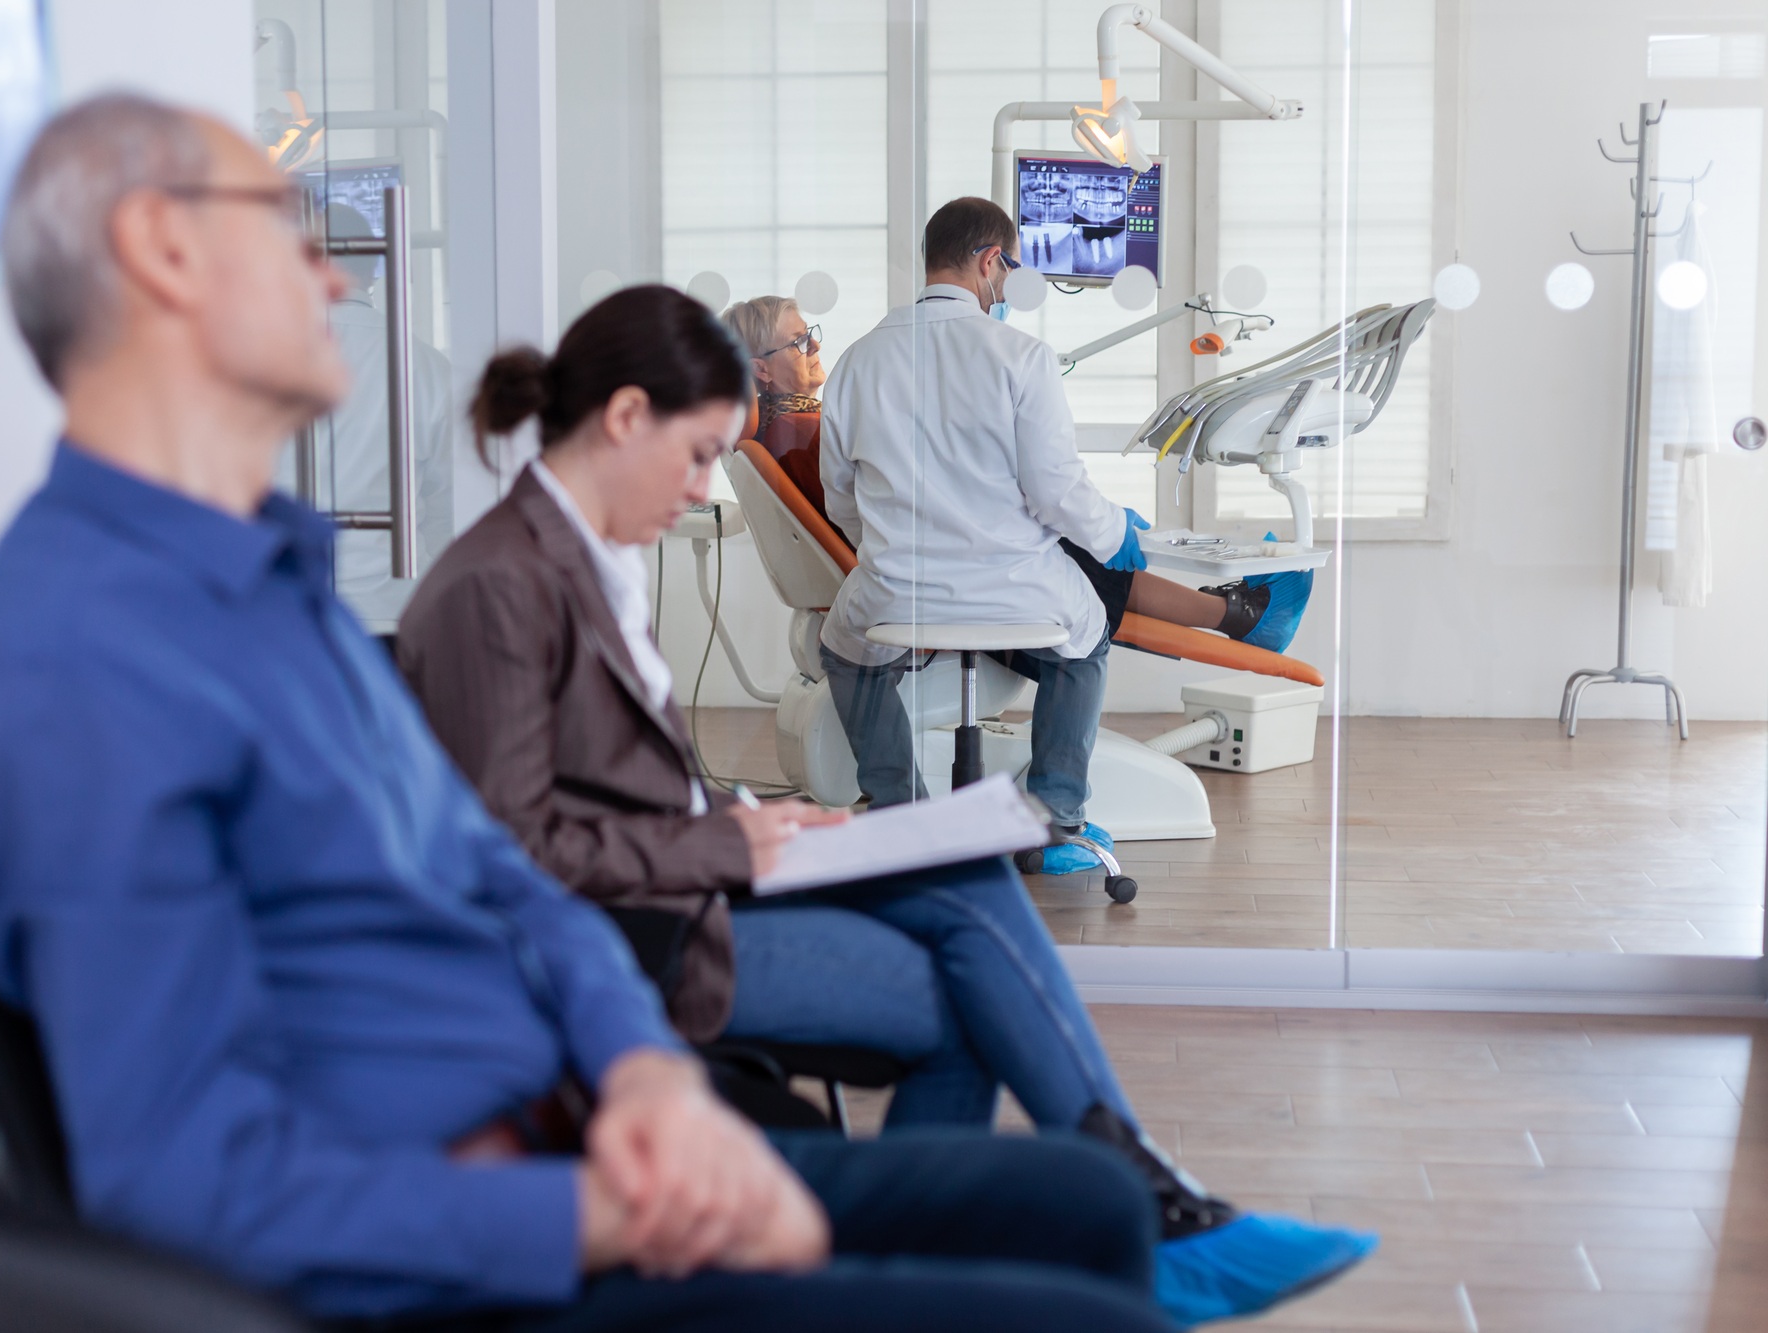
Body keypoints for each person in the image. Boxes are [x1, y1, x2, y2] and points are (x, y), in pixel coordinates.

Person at [0, 90, 1193, 1333]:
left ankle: (1115, 1174)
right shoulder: (69, 665)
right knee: (1085, 1282)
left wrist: (636, 1073)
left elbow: (491, 877)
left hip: (572, 1112)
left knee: (1078, 1202)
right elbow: (194, 1187)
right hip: (491, 1249)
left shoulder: (274, 591)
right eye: (289, 230)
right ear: (161, 247)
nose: (337, 275)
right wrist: (599, 1213)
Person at [395, 283, 1374, 1324]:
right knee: (967, 992)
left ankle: (1101, 1217)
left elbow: (617, 783)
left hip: (687, 886)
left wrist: (742, 813)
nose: (696, 492)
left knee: (954, 870)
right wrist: (725, 843)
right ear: (625, 415)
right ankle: (1133, 1216)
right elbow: (514, 853)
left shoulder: (584, 566)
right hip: (630, 940)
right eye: (694, 457)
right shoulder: (494, 587)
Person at [814, 199, 1310, 877]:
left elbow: (841, 493)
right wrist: (1117, 538)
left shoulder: (855, 361)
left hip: (899, 590)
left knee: (845, 651)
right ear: (991, 262)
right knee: (1084, 643)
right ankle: (1051, 814)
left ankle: (902, 814)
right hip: (1015, 588)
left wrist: (899, 547)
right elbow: (1055, 489)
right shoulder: (1021, 356)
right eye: (1009, 269)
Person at [718, 295, 1311, 651]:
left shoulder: (792, 426)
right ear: (761, 372)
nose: (814, 348)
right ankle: (1235, 613)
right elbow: (857, 508)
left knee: (1074, 542)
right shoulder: (797, 434)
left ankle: (1230, 608)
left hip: (914, 556)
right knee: (1075, 548)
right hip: (916, 568)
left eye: (811, 334)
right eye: (796, 343)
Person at [310, 201, 454, 600]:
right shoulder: (430, 369)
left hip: (295, 606)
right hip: (397, 602)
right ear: (374, 272)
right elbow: (447, 511)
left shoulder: (262, 367)